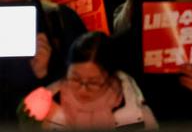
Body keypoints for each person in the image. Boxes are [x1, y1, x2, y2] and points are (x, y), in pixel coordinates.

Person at [25, 31, 158, 130]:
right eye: (75, 79)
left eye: (93, 82)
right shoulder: (48, 104)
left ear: (111, 77)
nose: (83, 89)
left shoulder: (132, 108)